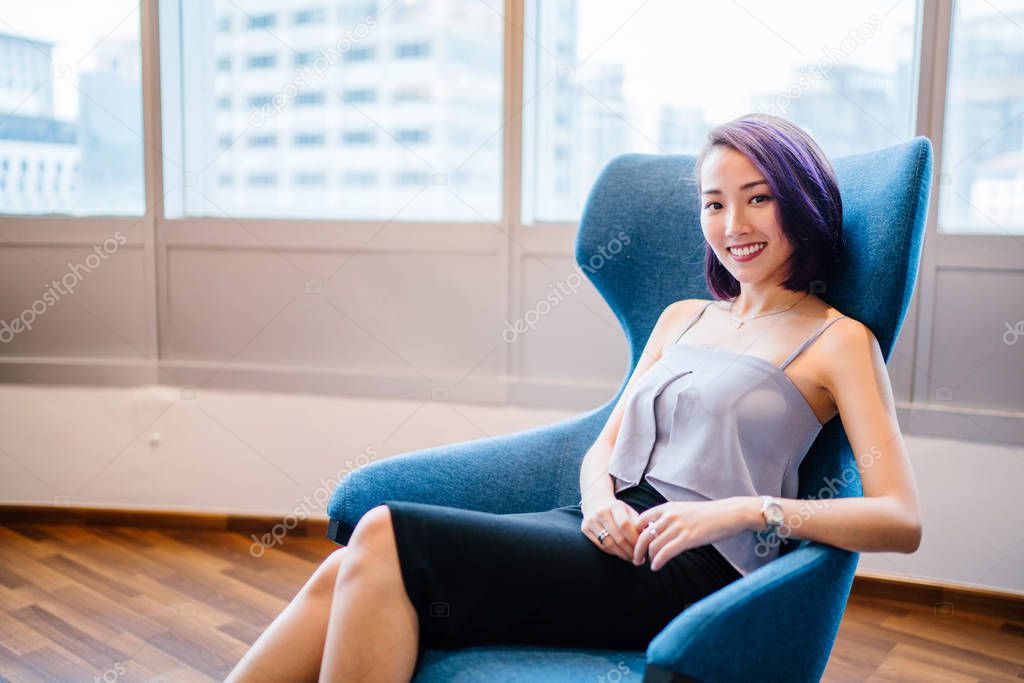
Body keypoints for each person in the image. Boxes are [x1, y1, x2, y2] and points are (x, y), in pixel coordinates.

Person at [224, 114, 923, 682]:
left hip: (690, 568)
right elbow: (607, 447)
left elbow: (900, 517)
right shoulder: (684, 317)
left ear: (800, 201)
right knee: (347, 565)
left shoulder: (839, 341)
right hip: (601, 528)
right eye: (715, 203)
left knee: (380, 532)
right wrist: (597, 504)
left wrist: (744, 510)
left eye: (758, 197)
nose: (734, 223)